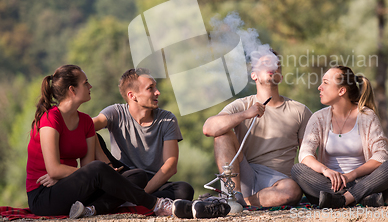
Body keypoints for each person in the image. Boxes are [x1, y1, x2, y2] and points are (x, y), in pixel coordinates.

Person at [26, 65, 173, 218]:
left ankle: (90, 209)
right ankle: (156, 204)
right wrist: (96, 173)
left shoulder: (86, 122)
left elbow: (88, 169)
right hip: (44, 195)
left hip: (73, 189)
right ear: (72, 89)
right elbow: (54, 170)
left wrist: (95, 174)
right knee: (99, 169)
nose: (90, 86)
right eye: (85, 83)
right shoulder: (50, 118)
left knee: (138, 176)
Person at [203, 48, 313, 207]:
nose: (271, 66)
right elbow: (208, 128)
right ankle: (232, 195)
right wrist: (245, 114)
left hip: (278, 183)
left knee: (293, 191)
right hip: (243, 176)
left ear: (280, 77)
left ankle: (236, 203)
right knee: (222, 134)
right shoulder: (242, 105)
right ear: (253, 75)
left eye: (276, 64)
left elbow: (307, 155)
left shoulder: (300, 110)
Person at [291, 65, 388, 208]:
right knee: (297, 169)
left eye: (325, 83)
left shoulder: (366, 116)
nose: (320, 87)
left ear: (342, 90)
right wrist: (325, 171)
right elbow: (305, 154)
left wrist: (351, 175)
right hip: (331, 184)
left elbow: (381, 155)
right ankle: (360, 198)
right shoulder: (318, 118)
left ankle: (341, 200)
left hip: (363, 181)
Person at [92, 68, 194, 201]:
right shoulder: (115, 112)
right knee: (94, 136)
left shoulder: (168, 119)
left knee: (184, 190)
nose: (157, 92)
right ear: (132, 95)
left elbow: (170, 166)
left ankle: (127, 202)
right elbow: (86, 127)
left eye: (155, 87)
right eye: (150, 88)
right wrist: (106, 164)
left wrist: (140, 194)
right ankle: (141, 204)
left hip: (151, 182)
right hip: (123, 176)